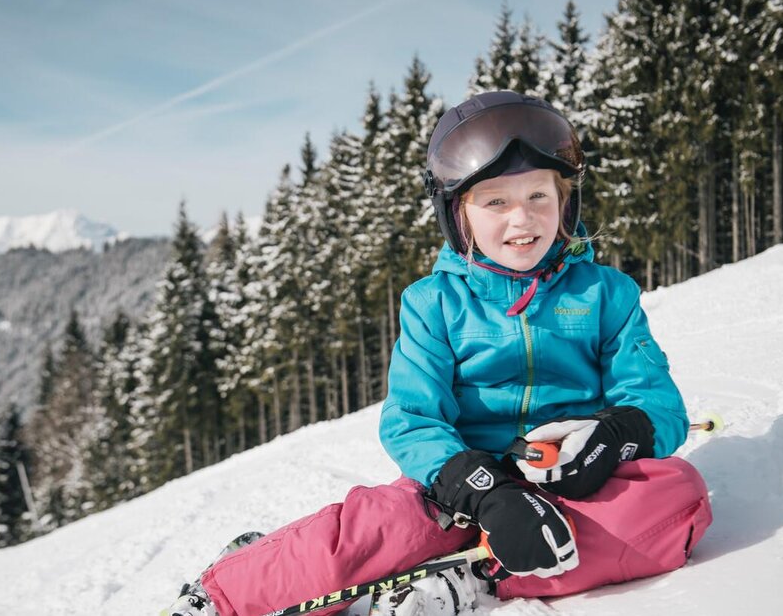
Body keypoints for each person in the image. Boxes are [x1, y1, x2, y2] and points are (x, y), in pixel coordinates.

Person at [166, 91, 712, 616]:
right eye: (496, 201)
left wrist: (611, 438)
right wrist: (484, 490)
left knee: (676, 499)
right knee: (376, 530)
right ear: (459, 215)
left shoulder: (605, 294)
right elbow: (412, 419)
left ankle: (473, 577)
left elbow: (659, 406)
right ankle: (226, 594)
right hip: (458, 486)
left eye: (538, 196)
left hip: (568, 484)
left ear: (565, 202)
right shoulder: (434, 304)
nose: (521, 220)